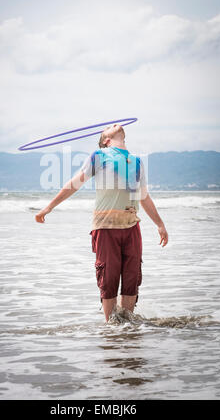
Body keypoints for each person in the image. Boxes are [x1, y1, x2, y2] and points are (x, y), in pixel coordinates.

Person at [35, 123, 168, 322]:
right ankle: (110, 328)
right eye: (109, 127)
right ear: (106, 140)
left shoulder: (137, 162)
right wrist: (49, 207)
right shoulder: (99, 155)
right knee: (109, 279)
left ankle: (128, 327)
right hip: (105, 226)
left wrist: (160, 224)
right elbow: (75, 184)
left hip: (132, 226)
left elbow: (144, 196)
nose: (114, 124)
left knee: (132, 279)